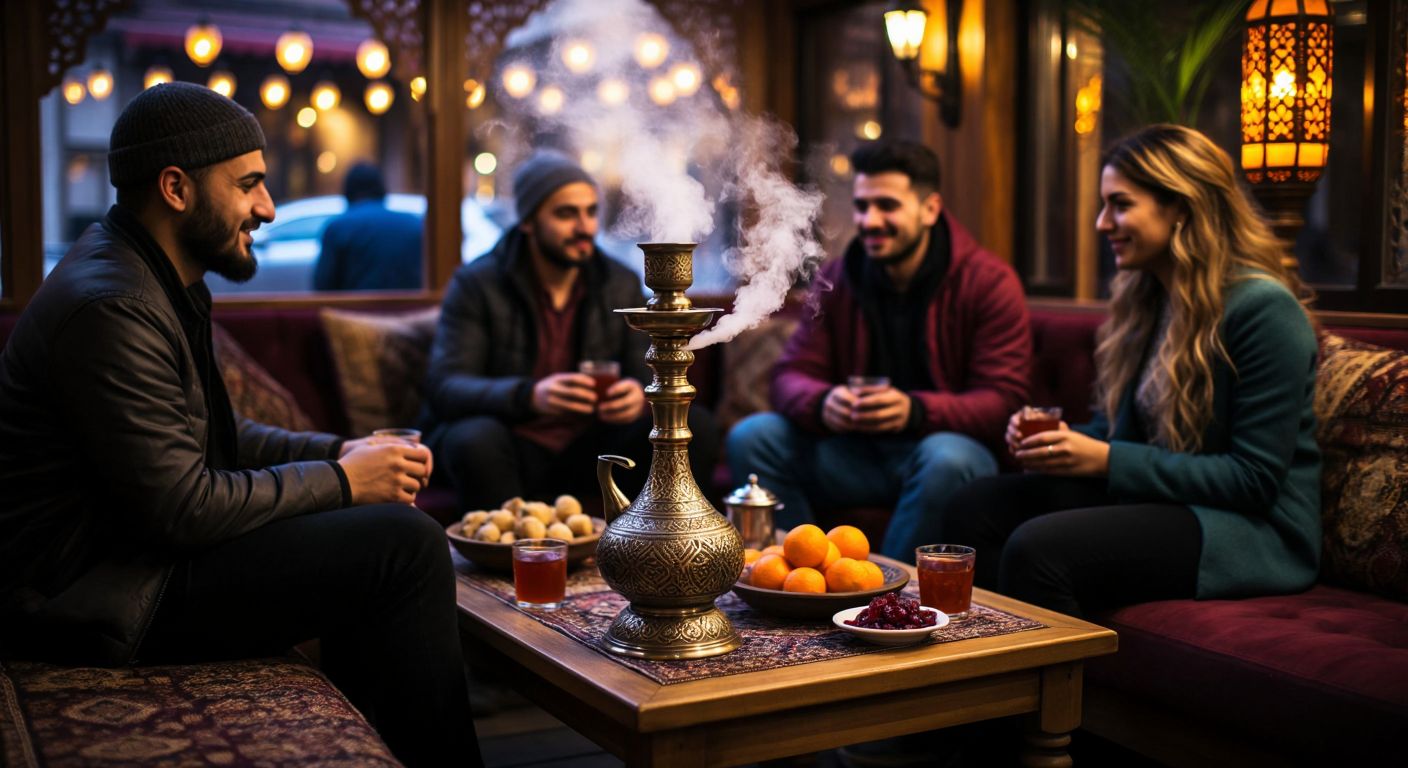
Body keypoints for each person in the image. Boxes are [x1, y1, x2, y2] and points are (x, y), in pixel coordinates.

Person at [0, 83, 481, 768]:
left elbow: (218, 435)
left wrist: (338, 451)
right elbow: (183, 509)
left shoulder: (155, 277)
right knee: (402, 545)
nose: (268, 208)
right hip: (94, 597)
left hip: (131, 561)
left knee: (378, 539)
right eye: (249, 184)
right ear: (176, 188)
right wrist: (344, 481)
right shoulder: (112, 307)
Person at [945, 124, 1321, 619]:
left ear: (1182, 207)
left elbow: (1252, 480)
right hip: (1164, 499)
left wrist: (1103, 458)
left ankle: (1049, 691)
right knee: (971, 509)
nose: (1102, 223)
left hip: (1249, 527)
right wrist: (1060, 443)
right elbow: (1121, 436)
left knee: (1039, 550)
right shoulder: (1149, 300)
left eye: (1120, 204)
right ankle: (971, 667)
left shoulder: (1264, 309)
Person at [726, 140, 1031, 561]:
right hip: (852, 452)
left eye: (887, 206)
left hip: (936, 455)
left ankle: (887, 599)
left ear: (930, 209)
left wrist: (915, 410)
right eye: (862, 205)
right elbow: (789, 375)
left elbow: (1002, 401)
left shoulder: (988, 282)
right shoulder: (838, 276)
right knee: (753, 436)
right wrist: (822, 401)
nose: (869, 220)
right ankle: (805, 573)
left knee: (947, 458)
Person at [422, 150, 720, 510]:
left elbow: (643, 370)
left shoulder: (618, 282)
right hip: (514, 442)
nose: (585, 227)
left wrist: (637, 396)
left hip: (593, 447)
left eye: (591, 212)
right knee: (473, 440)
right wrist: (529, 396)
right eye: (566, 214)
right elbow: (446, 386)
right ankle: (504, 557)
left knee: (695, 426)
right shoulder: (478, 284)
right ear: (528, 221)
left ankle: (666, 551)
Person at [312, 161, 424, 290]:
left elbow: (323, 287)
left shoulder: (338, 228)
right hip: (414, 309)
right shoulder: (414, 224)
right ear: (383, 189)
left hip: (352, 310)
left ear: (347, 192)